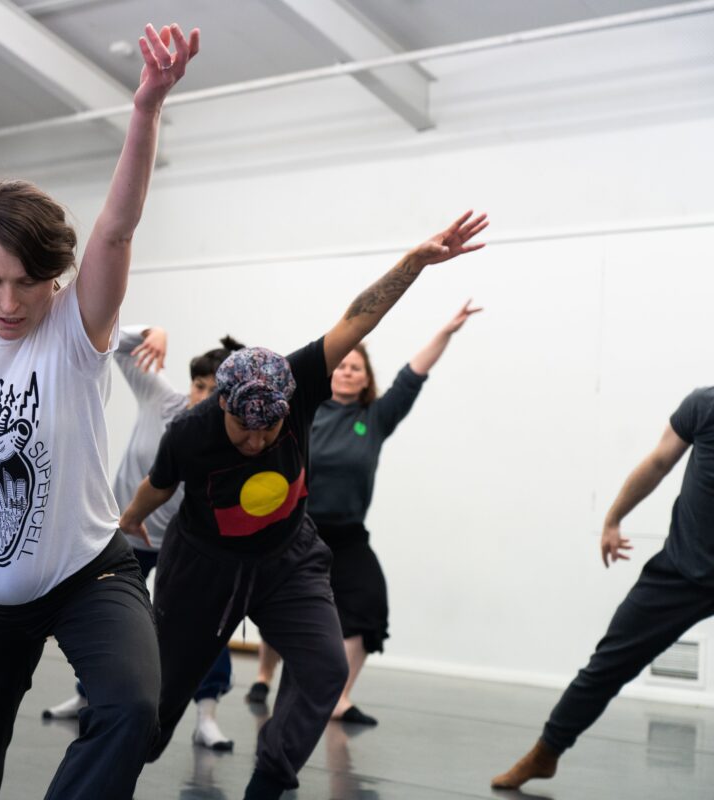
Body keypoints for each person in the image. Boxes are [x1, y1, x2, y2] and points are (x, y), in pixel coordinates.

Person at [0, 23, 198, 800]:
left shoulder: (75, 330)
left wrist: (146, 107)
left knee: (133, 708)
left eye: (28, 284)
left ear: (57, 278)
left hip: (85, 568)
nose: (8, 303)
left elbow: (117, 227)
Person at [120, 210, 488, 800]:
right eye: (246, 429)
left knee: (324, 667)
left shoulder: (298, 378)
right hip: (204, 568)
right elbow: (158, 487)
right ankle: (110, 775)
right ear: (223, 407)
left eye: (271, 430)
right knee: (161, 696)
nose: (259, 440)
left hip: (289, 556)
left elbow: (357, 318)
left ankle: (269, 783)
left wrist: (414, 263)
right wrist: (131, 520)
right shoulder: (190, 431)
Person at [245, 302, 482, 725]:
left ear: (367, 377)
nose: (349, 371)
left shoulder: (375, 418)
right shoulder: (304, 411)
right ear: (330, 373)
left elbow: (413, 376)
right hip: (299, 529)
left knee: (369, 605)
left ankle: (340, 697)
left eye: (358, 367)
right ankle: (265, 673)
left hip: (349, 534)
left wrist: (447, 331)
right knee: (282, 605)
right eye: (343, 365)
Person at [491, 386, 714, 789]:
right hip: (682, 570)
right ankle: (546, 752)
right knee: (607, 665)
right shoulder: (704, 405)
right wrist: (613, 518)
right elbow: (660, 462)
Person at [42, 327, 244, 752]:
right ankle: (86, 695)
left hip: (184, 546)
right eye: (198, 384)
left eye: (214, 390)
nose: (202, 396)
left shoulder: (232, 436)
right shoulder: (162, 400)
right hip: (128, 532)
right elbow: (110, 338)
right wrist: (157, 333)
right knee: (102, 614)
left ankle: (206, 716)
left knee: (203, 627)